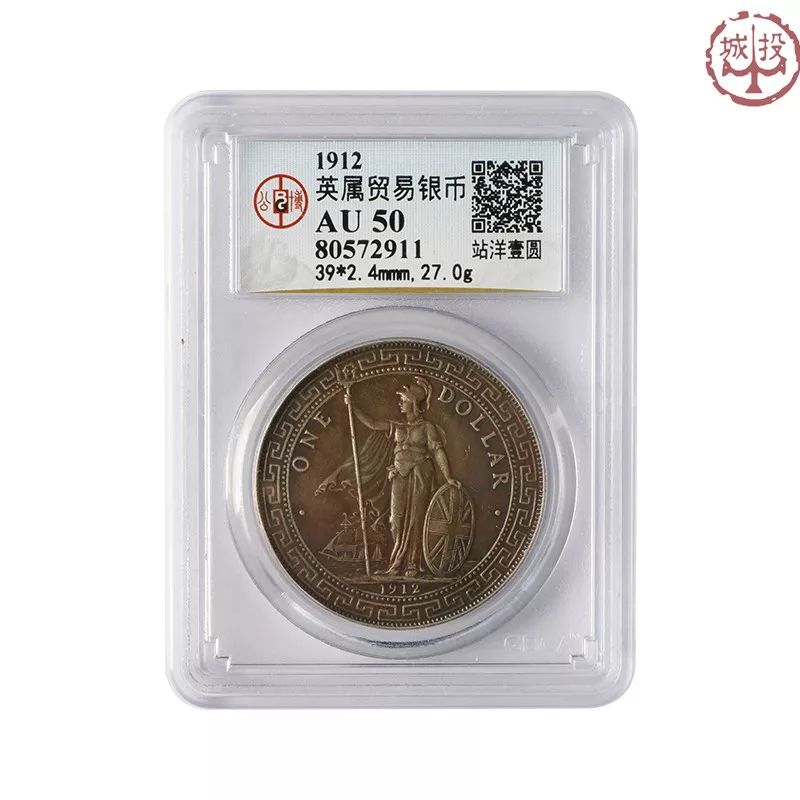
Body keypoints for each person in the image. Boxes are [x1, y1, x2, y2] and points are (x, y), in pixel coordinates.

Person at [344, 377, 459, 577]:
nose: (399, 403)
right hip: (399, 475)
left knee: (416, 518)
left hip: (420, 473)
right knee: (395, 520)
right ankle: (396, 564)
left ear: (413, 403)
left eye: (403, 400)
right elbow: (372, 423)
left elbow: (438, 451)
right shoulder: (397, 427)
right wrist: (352, 406)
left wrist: (448, 477)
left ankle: (412, 564)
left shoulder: (427, 427)